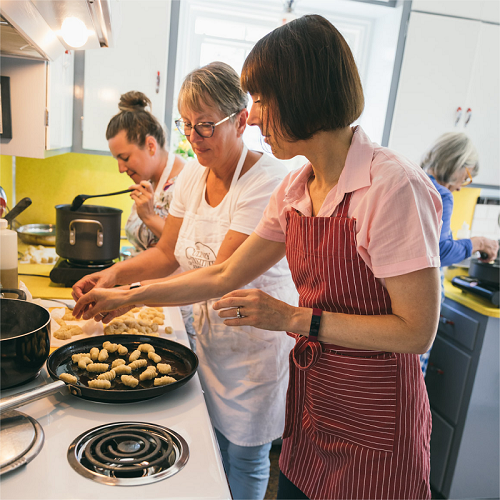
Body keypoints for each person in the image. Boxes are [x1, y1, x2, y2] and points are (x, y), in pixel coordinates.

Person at [74, 15, 443, 500]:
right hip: (313, 407)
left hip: (373, 416)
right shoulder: (296, 189)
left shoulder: (392, 187)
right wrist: (126, 293)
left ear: (302, 94)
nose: (257, 116)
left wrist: (292, 317)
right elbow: (223, 273)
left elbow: (417, 331)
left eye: (263, 100)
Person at [73, 62, 297, 500]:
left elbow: (219, 276)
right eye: (187, 125)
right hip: (209, 340)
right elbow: (166, 253)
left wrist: (130, 296)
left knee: (245, 457)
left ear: (242, 121)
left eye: (206, 126)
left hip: (252, 350)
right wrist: (113, 274)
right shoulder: (194, 174)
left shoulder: (267, 182)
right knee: (208, 445)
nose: (193, 137)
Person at [419, 132, 499, 374]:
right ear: (456, 163)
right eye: (467, 175)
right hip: (422, 297)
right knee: (411, 379)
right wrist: (479, 242)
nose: (464, 185)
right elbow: (441, 252)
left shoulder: (414, 181)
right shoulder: (442, 195)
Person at [106, 91, 185, 254]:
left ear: (150, 145)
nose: (121, 169)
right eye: (117, 160)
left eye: (125, 158)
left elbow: (186, 247)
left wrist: (150, 217)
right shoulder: (150, 181)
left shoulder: (185, 182)